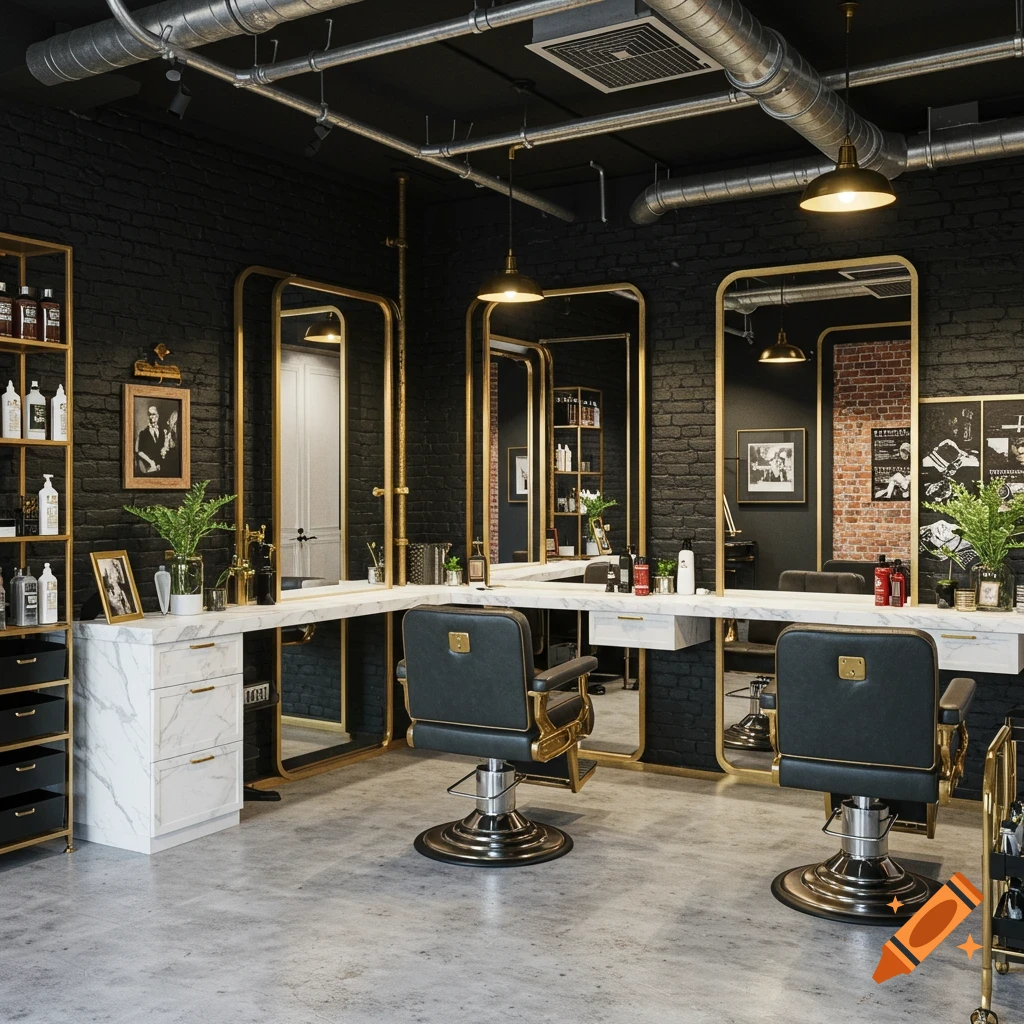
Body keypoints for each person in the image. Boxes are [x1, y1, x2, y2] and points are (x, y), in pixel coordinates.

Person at [136, 405, 164, 474]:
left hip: (159, 468)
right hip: (147, 467)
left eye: (153, 414)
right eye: (149, 414)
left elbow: (161, 449)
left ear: (158, 416)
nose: (151, 417)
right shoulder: (143, 433)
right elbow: (139, 451)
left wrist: (159, 463)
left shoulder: (162, 432)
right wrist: (150, 462)